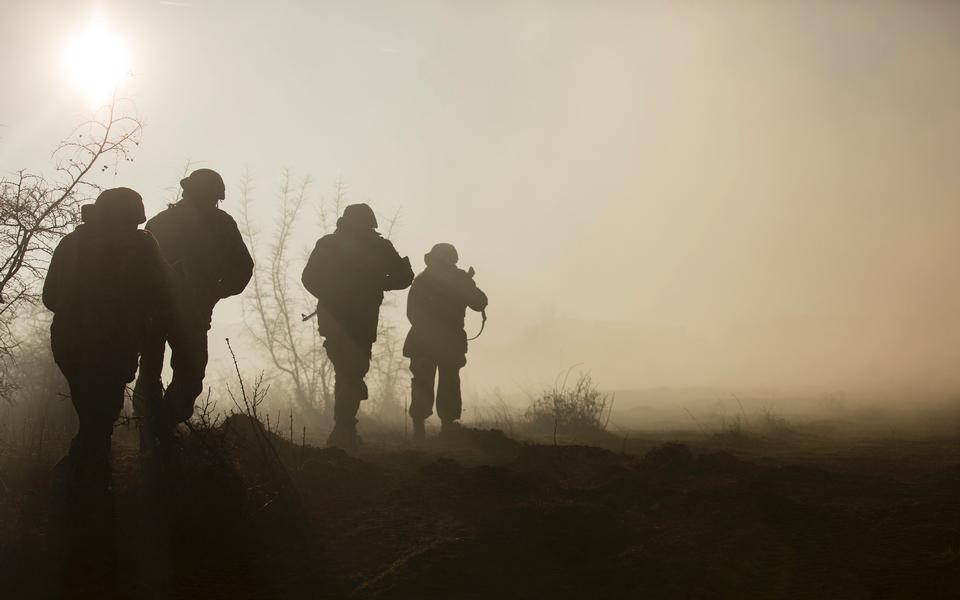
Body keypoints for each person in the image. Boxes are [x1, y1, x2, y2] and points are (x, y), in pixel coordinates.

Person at [43, 187, 172, 494]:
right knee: (100, 413)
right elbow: (162, 294)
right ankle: (88, 481)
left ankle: (82, 479)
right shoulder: (141, 246)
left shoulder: (72, 243)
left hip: (74, 344)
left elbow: (51, 297)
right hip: (112, 345)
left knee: (92, 412)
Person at [134, 168, 253, 448]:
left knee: (181, 373)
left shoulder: (215, 224)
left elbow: (242, 269)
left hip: (185, 311)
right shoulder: (166, 223)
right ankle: (155, 432)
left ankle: (157, 428)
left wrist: (212, 293)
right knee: (162, 372)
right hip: (163, 310)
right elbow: (140, 268)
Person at [302, 203, 413, 451]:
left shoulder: (330, 244)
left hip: (337, 319)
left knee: (346, 370)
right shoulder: (377, 246)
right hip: (356, 319)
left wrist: (333, 294)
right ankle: (344, 427)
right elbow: (404, 276)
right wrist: (377, 283)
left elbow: (309, 278)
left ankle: (344, 427)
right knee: (351, 371)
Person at [403, 243, 488, 441]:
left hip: (423, 341)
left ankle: (420, 429)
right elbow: (480, 302)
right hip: (447, 342)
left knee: (424, 383)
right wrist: (466, 282)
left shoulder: (422, 280)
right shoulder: (458, 280)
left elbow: (411, 313)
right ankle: (446, 427)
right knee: (448, 383)